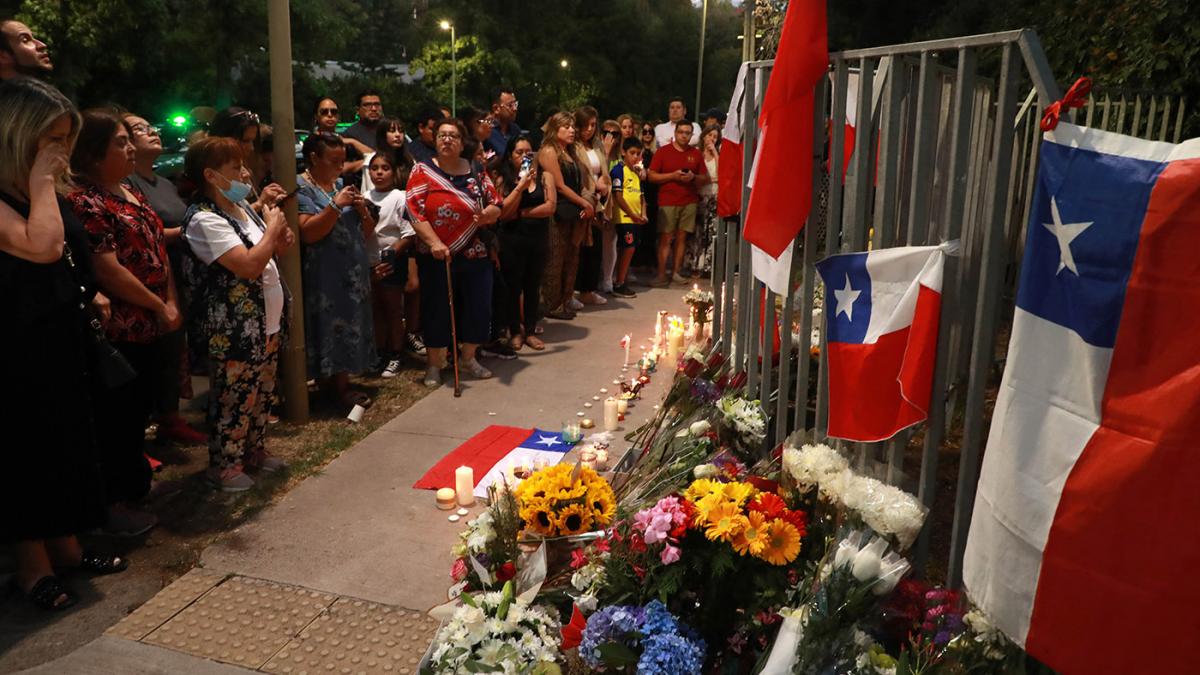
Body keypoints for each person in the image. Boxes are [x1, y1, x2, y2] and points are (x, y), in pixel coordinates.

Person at [1, 76, 127, 612]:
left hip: (59, 332)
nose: (61, 150)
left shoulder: (44, 186)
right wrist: (38, 178)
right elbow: (42, 244)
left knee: (68, 442)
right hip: (15, 344)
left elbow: (72, 249)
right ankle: (33, 567)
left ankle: (68, 546)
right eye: (51, 138)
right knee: (25, 451)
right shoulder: (20, 189)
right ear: (18, 135)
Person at [69, 109, 179, 536]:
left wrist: (169, 301)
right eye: (119, 142)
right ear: (94, 154)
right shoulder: (86, 201)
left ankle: (133, 490)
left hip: (151, 317)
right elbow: (108, 269)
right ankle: (113, 502)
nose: (130, 147)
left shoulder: (130, 190)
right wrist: (157, 303)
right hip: (122, 325)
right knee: (117, 417)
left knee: (138, 411)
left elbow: (155, 245)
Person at [181, 137, 293, 492]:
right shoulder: (203, 219)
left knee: (261, 391)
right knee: (234, 395)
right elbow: (246, 265)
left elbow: (272, 251)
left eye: (244, 165)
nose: (245, 173)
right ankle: (225, 465)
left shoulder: (240, 206)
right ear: (212, 175)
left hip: (265, 321)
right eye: (235, 168)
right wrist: (272, 231)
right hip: (232, 326)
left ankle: (254, 449)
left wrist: (279, 234)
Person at [123, 112, 206, 445]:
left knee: (173, 349)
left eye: (151, 126)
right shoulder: (128, 184)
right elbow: (148, 231)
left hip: (177, 272)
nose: (152, 132)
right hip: (148, 278)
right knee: (152, 354)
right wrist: (189, 231)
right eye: (141, 129)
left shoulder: (165, 182)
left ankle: (170, 417)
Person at [406, 118, 502, 386]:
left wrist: (487, 215)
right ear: (435, 141)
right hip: (437, 254)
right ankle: (435, 364)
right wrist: (434, 242)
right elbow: (414, 211)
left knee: (477, 305)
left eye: (453, 136)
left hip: (475, 251)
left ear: (462, 143)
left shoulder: (476, 170)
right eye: (442, 136)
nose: (447, 140)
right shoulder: (422, 171)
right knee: (437, 308)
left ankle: (468, 358)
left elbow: (496, 203)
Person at [296, 132, 377, 409]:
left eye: (343, 161)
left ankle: (341, 382)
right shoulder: (301, 188)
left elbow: (365, 231)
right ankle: (329, 386)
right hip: (323, 274)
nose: (339, 167)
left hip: (352, 272)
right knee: (326, 328)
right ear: (314, 158)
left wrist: (362, 210)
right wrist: (335, 205)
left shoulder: (341, 184)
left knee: (350, 325)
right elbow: (308, 232)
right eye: (334, 161)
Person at [493, 135, 554, 351]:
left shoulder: (545, 177)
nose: (524, 156)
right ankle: (514, 331)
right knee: (513, 287)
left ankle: (530, 329)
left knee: (532, 285)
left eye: (529, 152)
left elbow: (550, 207)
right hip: (512, 240)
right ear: (510, 157)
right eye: (519, 152)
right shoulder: (504, 180)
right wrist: (521, 185)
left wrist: (522, 212)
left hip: (537, 240)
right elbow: (504, 213)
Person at [363, 148, 416, 377]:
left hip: (392, 263)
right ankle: (379, 351)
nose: (379, 173)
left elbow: (408, 234)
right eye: (374, 168)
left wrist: (390, 255)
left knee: (393, 309)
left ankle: (396, 353)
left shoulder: (400, 198)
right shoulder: (363, 198)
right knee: (375, 309)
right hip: (369, 262)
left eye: (385, 168)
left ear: (394, 172)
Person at [537, 111, 593, 320]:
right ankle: (551, 304)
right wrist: (583, 202)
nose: (572, 130)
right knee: (555, 258)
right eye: (566, 127)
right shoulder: (549, 150)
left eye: (572, 127)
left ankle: (565, 298)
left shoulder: (570, 151)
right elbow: (559, 186)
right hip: (557, 212)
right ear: (555, 129)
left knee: (572, 257)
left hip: (573, 212)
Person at [647, 118, 708, 286]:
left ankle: (676, 272)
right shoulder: (663, 152)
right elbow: (651, 176)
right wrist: (672, 176)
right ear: (675, 134)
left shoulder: (695, 154)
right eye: (681, 132)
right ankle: (661, 274)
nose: (684, 136)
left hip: (689, 201)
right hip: (667, 201)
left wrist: (693, 177)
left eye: (688, 133)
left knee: (682, 238)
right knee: (666, 238)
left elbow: (705, 178)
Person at [209, 107, 286, 212]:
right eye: (245, 141)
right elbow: (226, 219)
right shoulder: (212, 175)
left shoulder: (247, 167)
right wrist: (259, 204)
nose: (251, 147)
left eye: (253, 141)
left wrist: (267, 205)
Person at [572, 106, 610, 306]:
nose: (589, 129)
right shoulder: (574, 146)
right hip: (583, 198)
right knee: (578, 248)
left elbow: (604, 170)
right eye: (585, 125)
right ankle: (573, 291)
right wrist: (594, 186)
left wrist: (604, 186)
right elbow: (578, 174)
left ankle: (589, 289)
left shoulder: (597, 145)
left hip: (599, 201)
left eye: (593, 125)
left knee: (595, 247)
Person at [610, 137, 648, 298]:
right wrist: (632, 214)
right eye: (632, 153)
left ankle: (622, 278)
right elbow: (618, 196)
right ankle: (619, 282)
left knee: (630, 249)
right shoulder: (619, 170)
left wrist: (643, 214)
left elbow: (641, 197)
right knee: (627, 247)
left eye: (638, 154)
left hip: (636, 218)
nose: (635, 157)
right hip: (625, 218)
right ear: (623, 152)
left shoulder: (636, 172)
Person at [686, 123, 721, 277]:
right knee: (697, 231)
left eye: (715, 137)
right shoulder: (696, 153)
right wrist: (710, 179)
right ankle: (693, 264)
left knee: (711, 232)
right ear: (704, 135)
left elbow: (721, 176)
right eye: (710, 135)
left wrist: (715, 154)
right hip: (698, 196)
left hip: (714, 197)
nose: (712, 139)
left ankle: (707, 266)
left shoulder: (717, 155)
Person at [311, 96, 370, 176]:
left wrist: (353, 142)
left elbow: (374, 156)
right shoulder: (312, 141)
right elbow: (334, 168)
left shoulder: (343, 138)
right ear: (316, 116)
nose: (330, 115)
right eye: (324, 112)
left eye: (334, 112)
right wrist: (363, 162)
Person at [486, 87, 523, 158]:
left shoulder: (515, 130)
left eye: (515, 104)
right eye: (510, 105)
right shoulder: (486, 131)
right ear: (496, 109)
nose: (515, 109)